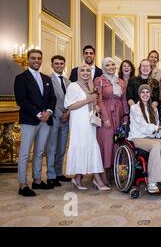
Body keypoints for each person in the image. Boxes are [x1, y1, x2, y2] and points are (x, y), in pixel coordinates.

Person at [14, 49, 56, 196]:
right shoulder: (21, 78)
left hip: (45, 120)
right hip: (29, 120)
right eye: (33, 58)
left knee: (39, 152)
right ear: (28, 59)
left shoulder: (46, 78)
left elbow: (52, 98)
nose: (36, 60)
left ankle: (37, 180)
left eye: (39, 58)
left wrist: (49, 112)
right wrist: (38, 114)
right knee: (25, 153)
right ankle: (22, 184)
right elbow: (22, 100)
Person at [64, 64, 110, 191]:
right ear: (78, 73)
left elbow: (92, 103)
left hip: (89, 122)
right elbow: (69, 105)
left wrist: (96, 107)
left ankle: (78, 178)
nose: (85, 72)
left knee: (89, 146)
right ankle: (97, 180)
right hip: (78, 121)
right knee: (82, 146)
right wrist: (88, 100)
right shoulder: (73, 86)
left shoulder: (91, 87)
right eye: (82, 70)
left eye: (88, 70)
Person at [127, 84, 161, 193]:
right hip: (137, 137)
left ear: (150, 94)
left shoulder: (154, 109)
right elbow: (144, 127)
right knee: (156, 145)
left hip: (150, 137)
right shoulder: (135, 108)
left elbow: (155, 131)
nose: (145, 94)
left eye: (147, 92)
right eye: (142, 92)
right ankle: (152, 181)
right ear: (139, 94)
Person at [94, 57, 129, 186]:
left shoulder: (120, 81)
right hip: (106, 117)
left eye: (113, 64)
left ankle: (115, 174)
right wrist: (105, 118)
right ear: (103, 67)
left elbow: (124, 100)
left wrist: (125, 116)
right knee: (106, 145)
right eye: (107, 65)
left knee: (117, 144)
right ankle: (103, 176)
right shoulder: (99, 81)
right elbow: (99, 100)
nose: (111, 67)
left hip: (118, 116)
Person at [46, 55, 71, 187]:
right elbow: (50, 100)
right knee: (52, 147)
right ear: (52, 65)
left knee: (62, 147)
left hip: (66, 118)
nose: (59, 66)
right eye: (56, 63)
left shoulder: (68, 82)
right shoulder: (48, 80)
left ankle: (59, 172)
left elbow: (72, 100)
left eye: (61, 63)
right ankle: (51, 175)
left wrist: (67, 113)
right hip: (54, 118)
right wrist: (61, 113)